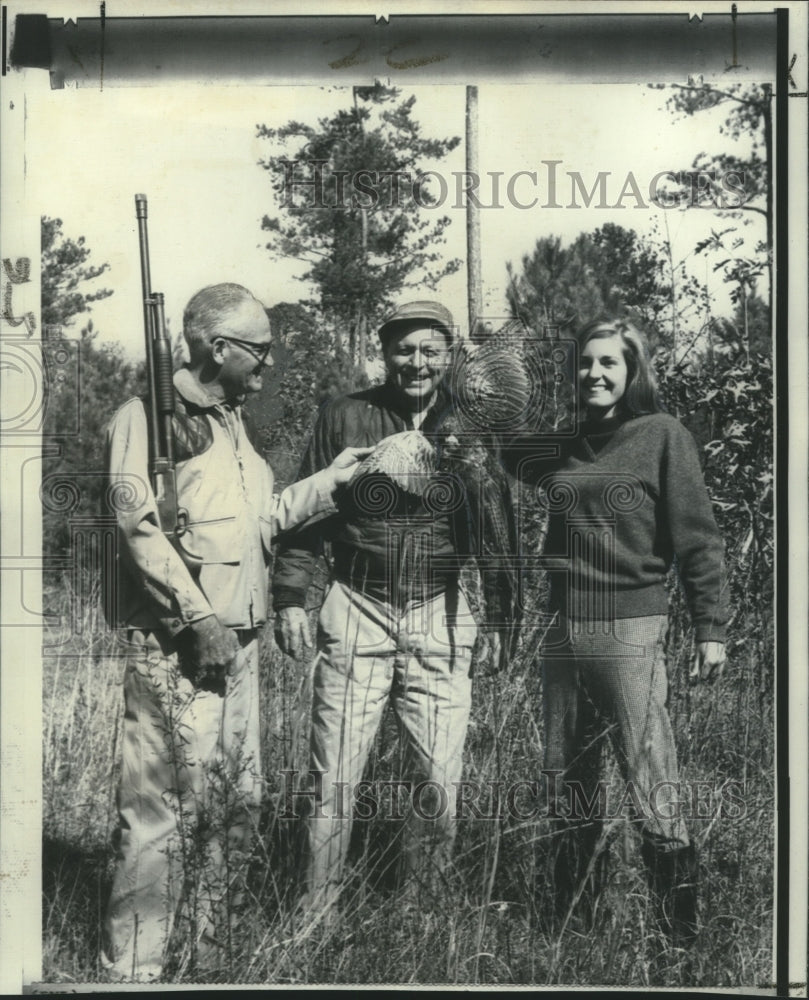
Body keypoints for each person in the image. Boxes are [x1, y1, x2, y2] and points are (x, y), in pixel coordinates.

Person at [101, 283, 369, 981]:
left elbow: (263, 520)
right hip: (176, 646)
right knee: (159, 812)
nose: (270, 362)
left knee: (235, 801)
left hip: (238, 645)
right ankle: (133, 971)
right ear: (218, 349)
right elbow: (138, 526)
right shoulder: (147, 420)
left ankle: (207, 957)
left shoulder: (229, 424)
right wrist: (197, 618)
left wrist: (331, 481)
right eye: (261, 348)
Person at [271, 300, 515, 911]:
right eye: (403, 349)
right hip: (356, 604)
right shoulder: (346, 416)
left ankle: (424, 915)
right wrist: (290, 598)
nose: (417, 362)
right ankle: (314, 911)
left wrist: (503, 619)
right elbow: (307, 514)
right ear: (384, 355)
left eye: (430, 350)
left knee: (437, 776)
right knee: (336, 774)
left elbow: (497, 526)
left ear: (450, 355)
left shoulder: (472, 425)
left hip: (441, 610)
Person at [506, 318, 729, 945]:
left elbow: (698, 537)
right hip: (560, 624)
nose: (594, 374)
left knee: (648, 769)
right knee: (567, 772)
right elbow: (508, 452)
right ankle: (571, 926)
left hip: (629, 623)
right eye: (584, 363)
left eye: (609, 363)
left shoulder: (662, 435)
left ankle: (677, 941)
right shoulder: (566, 443)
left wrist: (711, 625)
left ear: (633, 372)